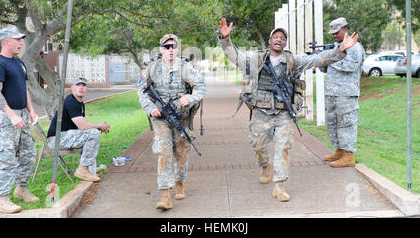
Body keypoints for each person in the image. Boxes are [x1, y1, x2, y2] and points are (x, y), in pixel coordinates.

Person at [218, 17, 359, 202]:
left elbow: (318, 58)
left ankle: (279, 185)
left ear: (285, 43)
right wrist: (226, 40)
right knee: (259, 146)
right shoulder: (257, 59)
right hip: (261, 112)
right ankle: (265, 165)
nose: (279, 40)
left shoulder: (294, 60)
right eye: (275, 37)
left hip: (283, 113)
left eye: (282, 38)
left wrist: (340, 49)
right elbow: (235, 56)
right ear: (270, 41)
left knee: (283, 148)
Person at [137, 34, 206, 210]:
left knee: (181, 155)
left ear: (177, 49)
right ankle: (165, 194)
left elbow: (201, 86)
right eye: (166, 47)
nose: (170, 50)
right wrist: (150, 108)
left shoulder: (185, 67)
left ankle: (180, 183)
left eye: (173, 47)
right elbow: (142, 91)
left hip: (181, 119)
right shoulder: (152, 68)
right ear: (161, 49)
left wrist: (190, 98)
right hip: (161, 119)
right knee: (164, 153)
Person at [0, 25, 40, 214]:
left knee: (28, 154)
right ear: (6, 41)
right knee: (6, 159)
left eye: (21, 39)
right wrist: (11, 115)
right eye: (17, 39)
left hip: (23, 115)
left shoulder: (19, 63)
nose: (21, 42)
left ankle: (21, 189)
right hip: (6, 118)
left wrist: (31, 111)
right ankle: (3, 200)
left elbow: (23, 89)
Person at [319, 18, 365, 167]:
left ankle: (349, 155)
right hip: (332, 93)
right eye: (332, 33)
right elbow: (322, 67)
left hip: (346, 93)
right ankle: (340, 151)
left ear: (345, 29)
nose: (334, 35)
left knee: (347, 123)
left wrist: (330, 60)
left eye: (336, 32)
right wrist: (323, 59)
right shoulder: (335, 48)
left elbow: (350, 66)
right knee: (333, 123)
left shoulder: (354, 47)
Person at [47, 77, 110, 182]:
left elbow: (84, 126)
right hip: (56, 139)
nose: (81, 88)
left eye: (83, 85)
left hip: (66, 136)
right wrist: (100, 126)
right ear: (72, 88)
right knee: (93, 133)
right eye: (78, 85)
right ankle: (82, 170)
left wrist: (100, 128)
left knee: (93, 133)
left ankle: (90, 169)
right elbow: (83, 126)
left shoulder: (80, 103)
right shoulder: (70, 101)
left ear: (86, 88)